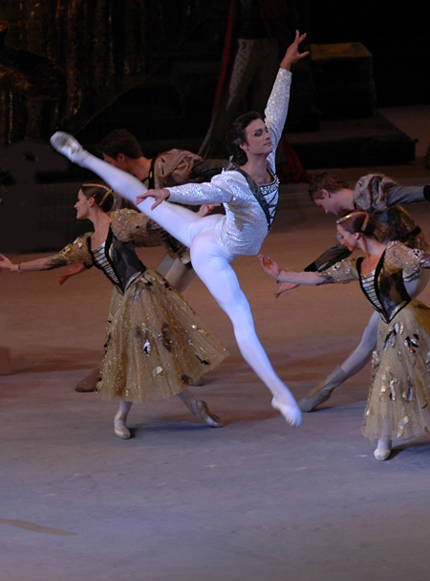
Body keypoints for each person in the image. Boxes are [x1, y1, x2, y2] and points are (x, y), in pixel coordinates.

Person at [50, 31, 310, 427]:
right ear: (242, 145)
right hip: (212, 249)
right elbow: (203, 189)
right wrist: (169, 190)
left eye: (264, 131)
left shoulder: (269, 154)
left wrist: (285, 66)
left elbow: (278, 109)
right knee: (242, 316)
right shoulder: (233, 180)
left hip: (212, 225)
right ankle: (280, 394)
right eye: (258, 133)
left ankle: (87, 158)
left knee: (148, 200)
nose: (266, 134)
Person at [0, 184, 229, 439]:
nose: (75, 205)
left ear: (92, 202)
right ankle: (180, 407)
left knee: (157, 352)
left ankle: (168, 409)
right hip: (123, 300)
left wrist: (198, 215)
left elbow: (160, 223)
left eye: (79, 200)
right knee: (131, 356)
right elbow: (55, 260)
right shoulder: (87, 242)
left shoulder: (121, 222)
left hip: (144, 293)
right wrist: (14, 268)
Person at [259, 210, 430, 460]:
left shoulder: (393, 252)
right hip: (387, 325)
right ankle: (385, 436)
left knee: (390, 377)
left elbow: (424, 259)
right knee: (388, 378)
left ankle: (384, 438)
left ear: (357, 235)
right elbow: (320, 277)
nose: (341, 242)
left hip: (409, 322)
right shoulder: (358, 265)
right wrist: (279, 274)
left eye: (342, 236)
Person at [62, 129, 222, 393]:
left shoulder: (167, 165)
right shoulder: (125, 189)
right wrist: (91, 260)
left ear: (122, 157)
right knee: (154, 307)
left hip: (194, 246)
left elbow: (208, 172)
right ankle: (189, 363)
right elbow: (111, 229)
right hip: (175, 250)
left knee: (152, 306)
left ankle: (115, 367)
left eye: (111, 162)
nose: (111, 168)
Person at [289, 171, 430, 412]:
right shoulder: (351, 218)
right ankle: (323, 390)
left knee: (378, 337)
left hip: (409, 272)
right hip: (389, 273)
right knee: (373, 338)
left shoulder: (371, 193)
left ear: (325, 193)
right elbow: (341, 248)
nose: (324, 211)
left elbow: (410, 194)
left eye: (320, 204)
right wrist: (301, 275)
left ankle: (324, 391)